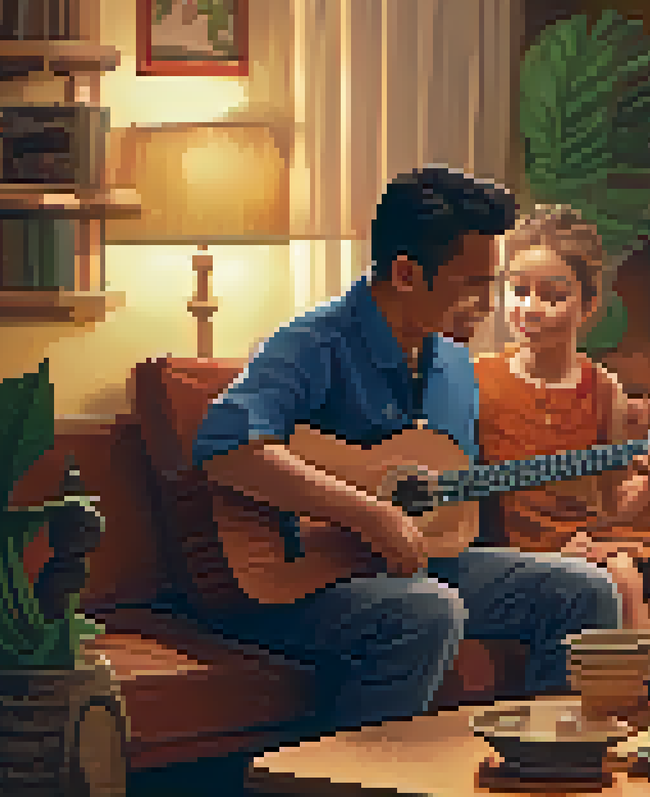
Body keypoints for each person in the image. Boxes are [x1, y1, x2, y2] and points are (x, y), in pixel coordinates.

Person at [190, 167, 624, 736]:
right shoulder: (316, 341)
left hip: (416, 567)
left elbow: (443, 506)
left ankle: (548, 769)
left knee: (584, 590)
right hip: (300, 580)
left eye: (491, 284)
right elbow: (225, 445)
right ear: (405, 274)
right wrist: (368, 514)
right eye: (470, 284)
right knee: (426, 609)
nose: (487, 305)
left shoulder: (453, 367)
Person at [472, 204, 650, 693]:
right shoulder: (478, 380)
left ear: (588, 304)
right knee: (619, 574)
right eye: (519, 290)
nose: (531, 307)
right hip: (522, 549)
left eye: (553, 295)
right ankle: (626, 716)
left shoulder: (603, 388)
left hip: (592, 537)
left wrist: (648, 483)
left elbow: (615, 506)